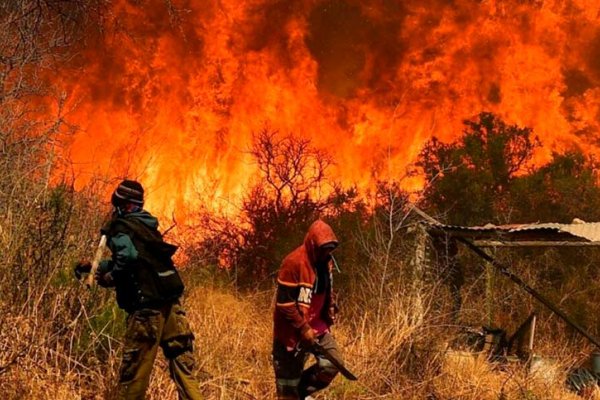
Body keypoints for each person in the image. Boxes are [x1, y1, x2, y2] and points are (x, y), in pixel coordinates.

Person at [75, 180, 203, 400]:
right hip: (171, 309)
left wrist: (110, 276)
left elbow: (128, 258)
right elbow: (141, 262)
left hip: (147, 313)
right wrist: (96, 267)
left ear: (122, 204)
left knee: (132, 378)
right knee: (183, 371)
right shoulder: (147, 226)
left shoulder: (121, 227)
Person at [272, 219, 345, 400]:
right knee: (287, 387)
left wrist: (330, 306)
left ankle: (300, 393)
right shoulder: (293, 262)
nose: (327, 252)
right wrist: (303, 328)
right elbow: (284, 304)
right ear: (313, 245)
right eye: (323, 248)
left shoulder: (327, 263)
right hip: (290, 334)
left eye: (330, 248)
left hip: (318, 328)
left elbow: (322, 291)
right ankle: (291, 394)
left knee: (332, 363)